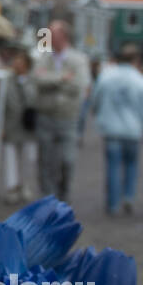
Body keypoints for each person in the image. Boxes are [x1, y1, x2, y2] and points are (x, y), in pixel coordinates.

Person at [90, 43, 143, 215]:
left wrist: (97, 113)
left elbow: (95, 98)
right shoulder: (142, 81)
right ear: (137, 59)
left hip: (112, 129)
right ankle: (128, 196)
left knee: (112, 166)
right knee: (132, 165)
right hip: (133, 130)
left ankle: (113, 204)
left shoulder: (106, 76)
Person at [31, 20, 92, 199]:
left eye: (51, 34)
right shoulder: (43, 56)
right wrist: (62, 79)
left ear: (63, 36)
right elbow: (37, 80)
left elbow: (79, 85)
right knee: (45, 160)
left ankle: (64, 195)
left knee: (67, 159)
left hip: (67, 117)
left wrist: (50, 80)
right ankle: (47, 198)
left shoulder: (79, 60)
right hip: (45, 116)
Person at [2, 49, 36, 201]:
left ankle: (25, 185)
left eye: (20, 62)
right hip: (11, 123)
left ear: (27, 65)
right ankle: (12, 187)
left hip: (29, 126)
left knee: (28, 157)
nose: (16, 64)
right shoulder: (7, 80)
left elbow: (35, 100)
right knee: (10, 156)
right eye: (15, 61)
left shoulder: (33, 81)